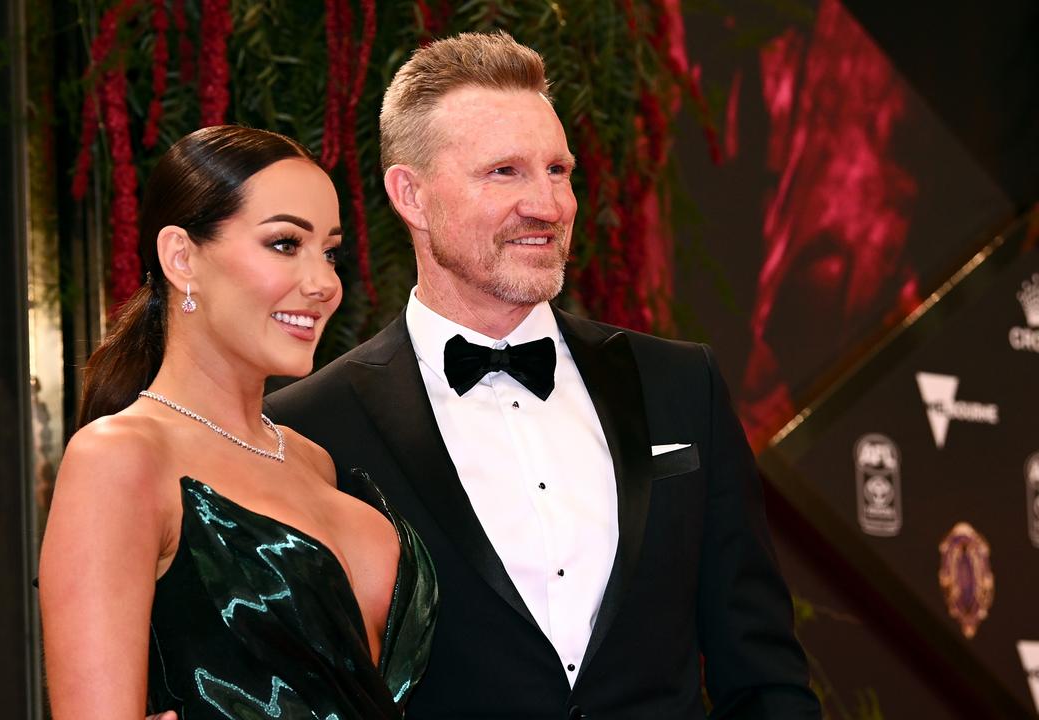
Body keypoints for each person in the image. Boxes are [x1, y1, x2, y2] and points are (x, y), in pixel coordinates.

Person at [266, 32, 822, 719]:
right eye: (505, 172)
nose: (549, 205)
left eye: (558, 170)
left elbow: (762, 667)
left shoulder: (680, 385)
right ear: (410, 196)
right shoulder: (310, 427)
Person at [38, 125, 437, 720]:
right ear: (181, 257)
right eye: (284, 244)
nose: (324, 283)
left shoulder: (312, 459)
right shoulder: (120, 458)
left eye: (329, 252)